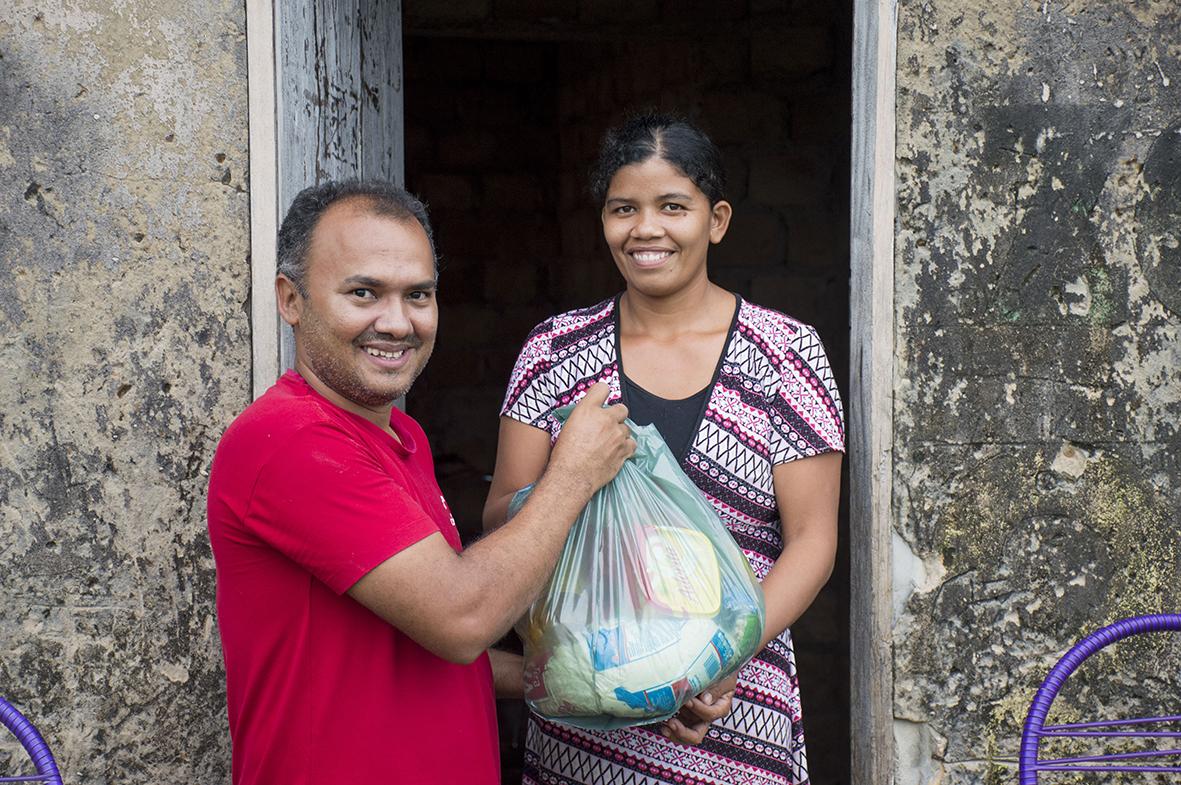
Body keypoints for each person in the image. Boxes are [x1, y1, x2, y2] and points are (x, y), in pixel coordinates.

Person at [206, 179, 634, 785]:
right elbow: (461, 619)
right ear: (291, 299)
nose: (397, 322)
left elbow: (424, 649)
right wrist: (572, 475)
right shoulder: (287, 440)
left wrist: (606, 682)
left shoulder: (403, 438)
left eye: (419, 295)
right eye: (364, 293)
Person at [484, 113, 845, 785]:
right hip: (586, 704)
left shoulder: (785, 355)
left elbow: (811, 541)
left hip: (730, 709)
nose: (644, 228)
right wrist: (572, 482)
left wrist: (719, 654)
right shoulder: (555, 351)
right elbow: (501, 513)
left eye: (671, 206)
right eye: (623, 208)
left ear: (716, 219)